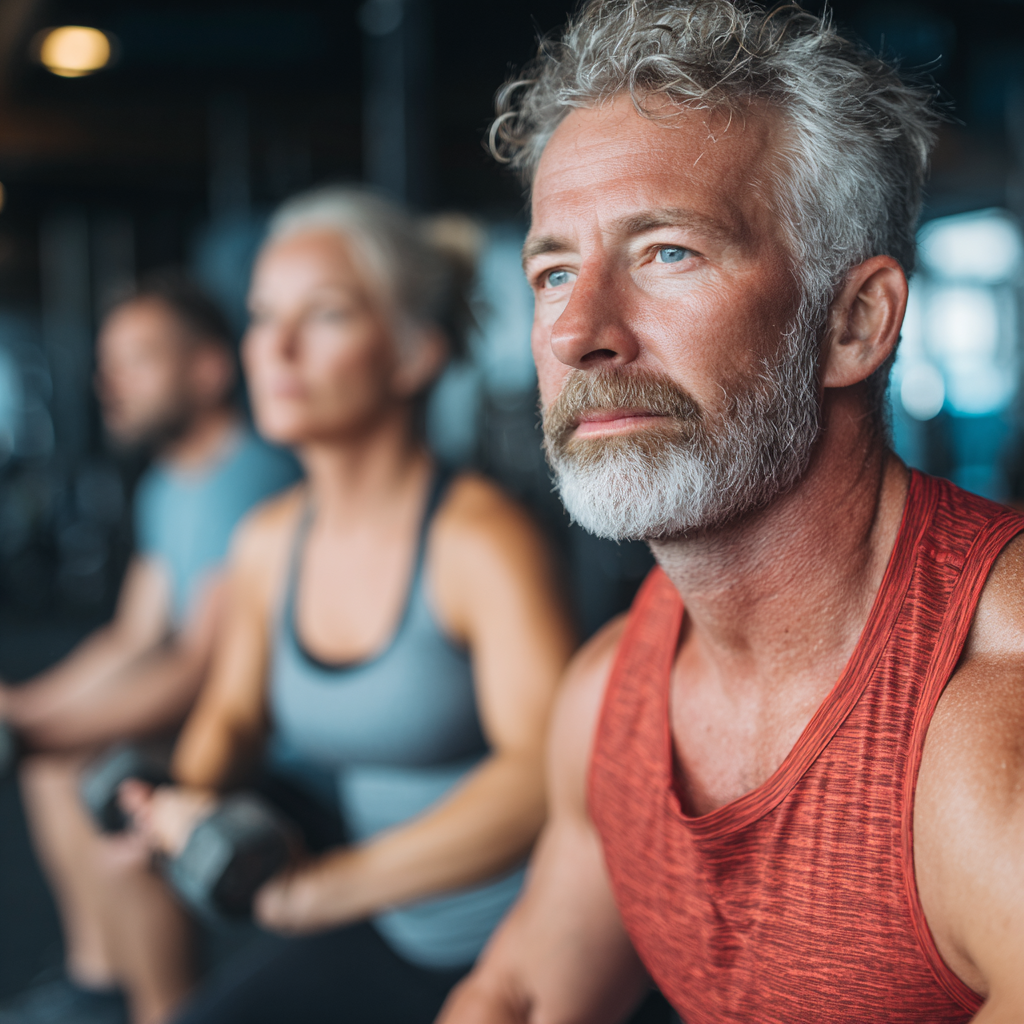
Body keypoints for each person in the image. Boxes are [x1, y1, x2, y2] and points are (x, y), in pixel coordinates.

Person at [438, 2, 1024, 1023]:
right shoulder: (610, 696)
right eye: (554, 271)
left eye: (667, 253)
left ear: (853, 321)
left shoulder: (987, 733)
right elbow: (522, 991)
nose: (580, 332)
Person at [113, 187, 576, 1024]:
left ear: (412, 355)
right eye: (261, 316)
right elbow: (233, 715)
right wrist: (177, 796)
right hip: (389, 927)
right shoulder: (268, 541)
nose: (275, 349)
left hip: (524, 945)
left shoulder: (481, 542)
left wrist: (328, 889)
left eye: (322, 316)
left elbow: (543, 777)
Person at [0, 277, 299, 1024]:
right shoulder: (168, 485)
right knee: (54, 766)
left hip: (268, 732)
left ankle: (164, 1008)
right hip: (206, 703)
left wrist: (37, 728)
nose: (110, 381)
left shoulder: (248, 478)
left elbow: (196, 672)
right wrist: (27, 707)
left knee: (101, 777)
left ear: (206, 370)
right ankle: (99, 981)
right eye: (110, 362)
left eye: (137, 358)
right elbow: (131, 638)